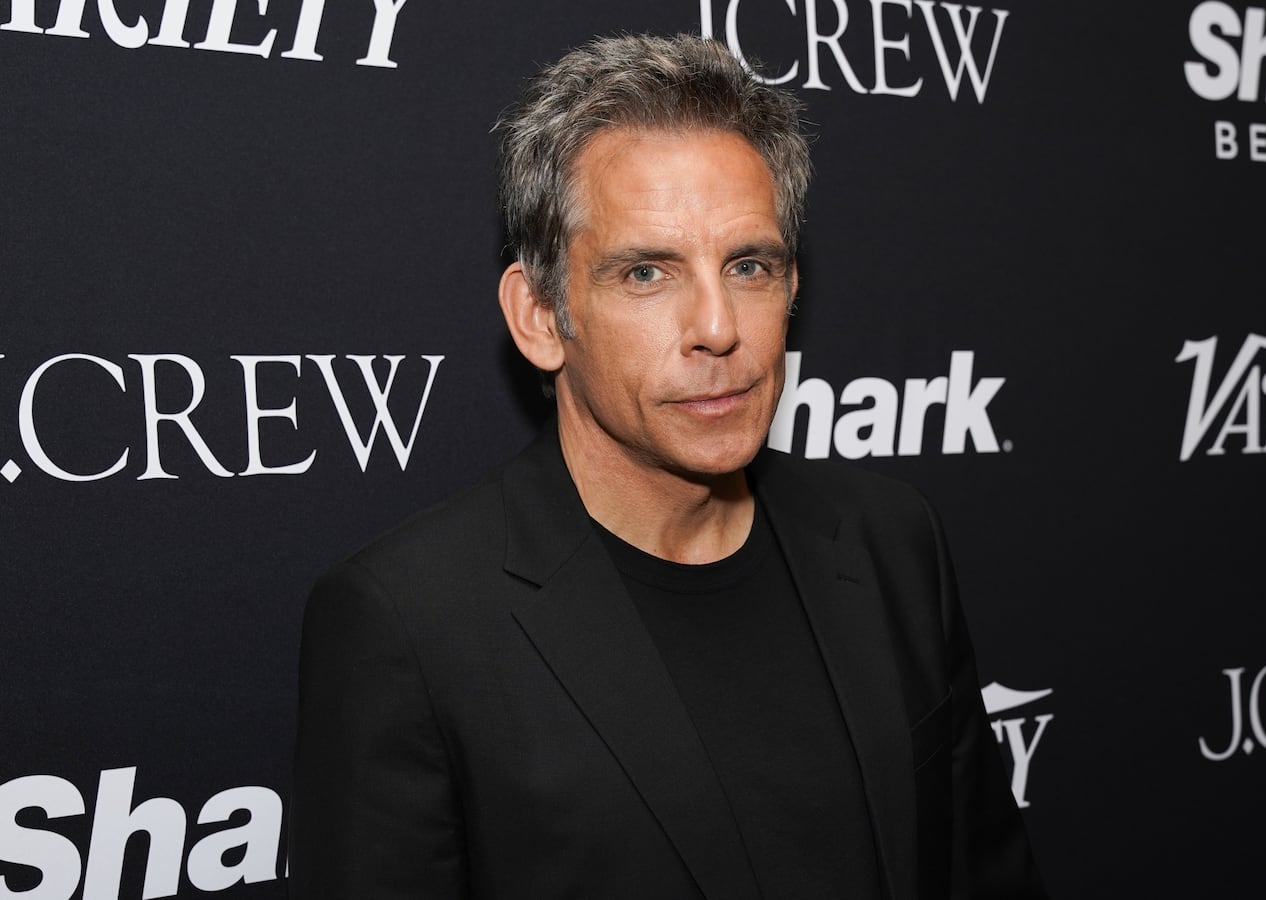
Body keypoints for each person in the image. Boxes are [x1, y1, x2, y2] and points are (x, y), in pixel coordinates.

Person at [289, 32, 1047, 900]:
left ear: (792, 288)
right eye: (647, 272)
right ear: (541, 315)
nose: (718, 327)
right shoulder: (408, 624)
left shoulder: (890, 540)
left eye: (750, 266)